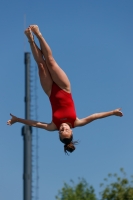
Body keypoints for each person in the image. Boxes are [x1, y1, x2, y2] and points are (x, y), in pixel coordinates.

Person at [7, 25, 123, 154]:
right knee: (50, 62)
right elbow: (95, 116)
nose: (63, 129)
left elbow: (35, 123)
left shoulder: (53, 126)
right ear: (71, 131)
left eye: (61, 132)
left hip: (50, 91)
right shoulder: (77, 122)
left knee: (41, 66)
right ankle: (39, 34)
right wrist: (112, 112)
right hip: (64, 88)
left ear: (58, 133)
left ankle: (30, 39)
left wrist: (17, 120)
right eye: (66, 131)